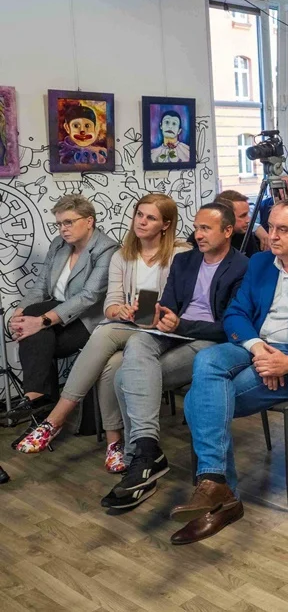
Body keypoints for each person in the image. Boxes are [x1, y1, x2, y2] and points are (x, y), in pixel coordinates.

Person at [168, 199, 288, 544]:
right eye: (270, 227)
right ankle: (217, 485)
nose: (272, 235)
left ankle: (220, 498)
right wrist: (256, 348)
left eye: (283, 229)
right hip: (255, 346)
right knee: (206, 360)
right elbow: (236, 314)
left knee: (198, 402)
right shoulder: (260, 262)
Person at [12, 195, 188, 464]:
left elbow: (91, 297)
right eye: (139, 214)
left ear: (166, 224)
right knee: (110, 363)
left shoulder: (181, 254)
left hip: (161, 328)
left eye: (150, 217)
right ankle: (114, 443)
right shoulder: (123, 255)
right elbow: (111, 305)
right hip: (129, 324)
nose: (141, 221)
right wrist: (121, 311)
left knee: (101, 333)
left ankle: (52, 420)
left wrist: (153, 314)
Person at [103, 202, 248, 509]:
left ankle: (140, 462)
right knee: (137, 343)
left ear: (227, 231)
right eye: (196, 228)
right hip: (173, 332)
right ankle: (146, 451)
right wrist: (156, 315)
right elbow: (168, 302)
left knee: (123, 378)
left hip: (209, 341)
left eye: (206, 228)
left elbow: (231, 326)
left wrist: (181, 324)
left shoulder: (242, 267)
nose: (198, 235)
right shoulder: (185, 260)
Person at [9, 196, 118, 414]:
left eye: (69, 222)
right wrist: (19, 314)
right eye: (59, 224)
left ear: (89, 221)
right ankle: (40, 400)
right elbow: (41, 285)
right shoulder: (59, 244)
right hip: (56, 318)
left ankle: (40, 404)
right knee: (33, 323)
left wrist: (40, 321)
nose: (63, 229)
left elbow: (88, 296)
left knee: (36, 334)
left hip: (87, 320)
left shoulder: (107, 250)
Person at [188, 190, 260, 257]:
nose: (248, 220)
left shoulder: (245, 234)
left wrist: (257, 228)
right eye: (242, 216)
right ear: (226, 216)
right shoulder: (199, 240)